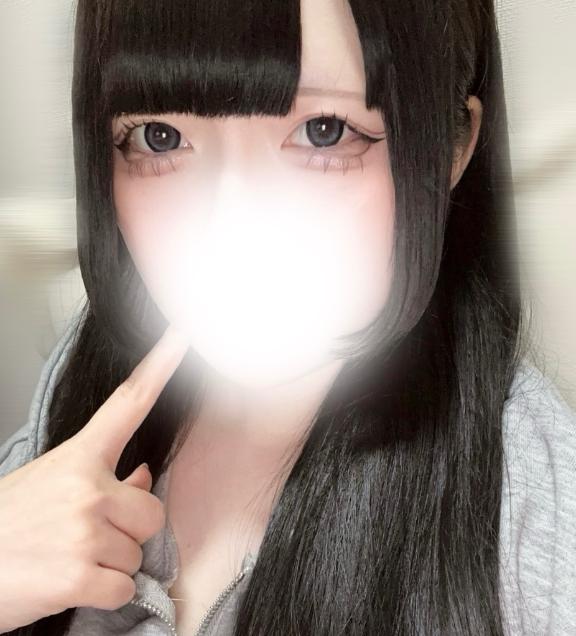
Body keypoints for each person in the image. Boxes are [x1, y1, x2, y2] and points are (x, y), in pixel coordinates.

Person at [0, 0, 575, 634]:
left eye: (324, 131)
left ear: (451, 147)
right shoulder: (85, 383)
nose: (231, 228)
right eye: (159, 136)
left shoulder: (525, 500)